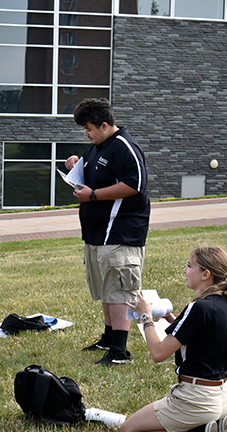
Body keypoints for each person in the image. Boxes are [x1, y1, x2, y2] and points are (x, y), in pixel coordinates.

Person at [119, 247, 227, 432]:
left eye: (189, 266)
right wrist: (173, 319)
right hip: (220, 397)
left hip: (195, 400)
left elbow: (158, 353)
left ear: (205, 274)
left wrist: (146, 317)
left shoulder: (199, 307)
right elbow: (203, 335)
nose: (184, 270)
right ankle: (205, 425)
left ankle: (196, 430)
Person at [65, 98, 150, 366]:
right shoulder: (97, 147)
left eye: (89, 129)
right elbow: (95, 173)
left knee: (119, 289)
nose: (86, 134)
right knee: (105, 287)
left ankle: (120, 352)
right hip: (97, 233)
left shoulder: (125, 147)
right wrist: (77, 164)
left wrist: (93, 196)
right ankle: (108, 338)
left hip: (121, 232)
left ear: (104, 125)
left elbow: (134, 185)